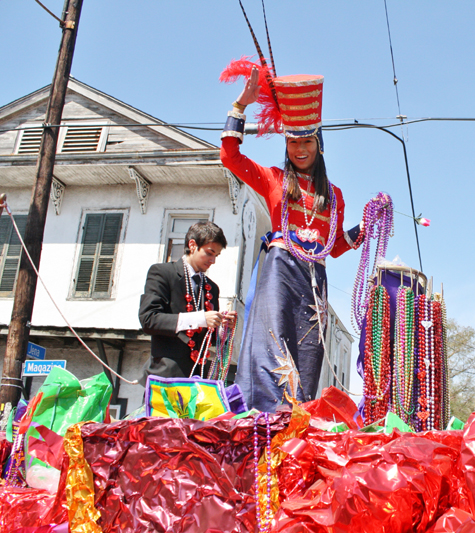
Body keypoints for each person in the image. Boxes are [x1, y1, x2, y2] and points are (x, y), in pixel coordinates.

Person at [221, 65, 366, 412]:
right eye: (293, 142)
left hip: (314, 279)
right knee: (270, 348)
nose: (300, 149)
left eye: (307, 142)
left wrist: (363, 231)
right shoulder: (273, 180)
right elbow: (230, 157)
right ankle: (264, 420)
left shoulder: (335, 196)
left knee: (308, 354)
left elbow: (332, 248)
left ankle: (295, 422)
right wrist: (240, 106)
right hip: (280, 270)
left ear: (319, 144)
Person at [139, 222, 237, 384]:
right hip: (166, 375)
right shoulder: (162, 273)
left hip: (198, 379)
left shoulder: (211, 288)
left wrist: (223, 328)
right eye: (209, 253)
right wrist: (200, 319)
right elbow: (149, 319)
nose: (213, 260)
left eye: (216, 256)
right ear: (192, 245)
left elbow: (208, 339)